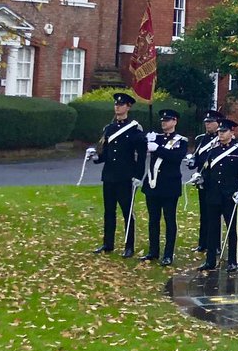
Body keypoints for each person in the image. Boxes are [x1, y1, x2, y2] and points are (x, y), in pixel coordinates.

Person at [87, 92, 147, 257]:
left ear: (128, 107)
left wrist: (138, 176)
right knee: (109, 211)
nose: (117, 107)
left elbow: (141, 155)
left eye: (121, 105)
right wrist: (96, 157)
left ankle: (129, 246)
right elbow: (105, 153)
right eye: (116, 104)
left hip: (126, 175)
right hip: (109, 174)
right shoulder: (109, 128)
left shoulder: (135, 129)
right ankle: (108, 243)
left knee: (127, 211)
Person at [194, 117, 238, 272]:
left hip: (229, 195)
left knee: (231, 229)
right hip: (213, 195)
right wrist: (201, 179)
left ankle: (233, 261)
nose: (220, 134)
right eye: (219, 131)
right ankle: (210, 260)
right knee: (212, 229)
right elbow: (207, 171)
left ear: (231, 133)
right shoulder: (213, 151)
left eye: (224, 131)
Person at [141, 109, 189, 265]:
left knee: (169, 220)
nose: (164, 123)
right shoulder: (156, 138)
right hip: (153, 184)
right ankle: (153, 251)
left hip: (169, 185)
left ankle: (168, 254)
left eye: (167, 120)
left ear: (175, 122)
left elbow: (175, 158)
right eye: (162, 120)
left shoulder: (181, 141)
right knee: (153, 220)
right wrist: (146, 143)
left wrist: (157, 148)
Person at [186, 109, 223, 254]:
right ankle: (203, 243)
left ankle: (216, 244)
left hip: (215, 181)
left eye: (210, 122)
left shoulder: (220, 140)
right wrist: (192, 162)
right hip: (202, 181)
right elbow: (198, 157)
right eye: (206, 122)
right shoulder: (201, 139)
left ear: (218, 123)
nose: (207, 125)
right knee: (204, 214)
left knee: (215, 215)